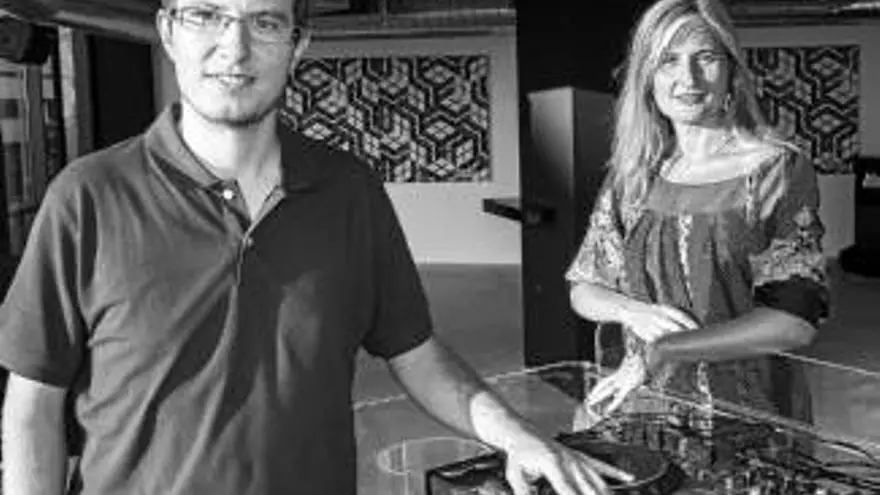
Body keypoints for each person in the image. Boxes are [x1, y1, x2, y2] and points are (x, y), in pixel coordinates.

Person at [0, 1, 610, 494]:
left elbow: (417, 353)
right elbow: (33, 404)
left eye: (264, 22)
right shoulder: (88, 196)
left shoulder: (349, 191)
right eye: (206, 15)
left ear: (298, 43)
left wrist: (515, 434)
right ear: (167, 30)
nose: (234, 48)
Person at [567, 0, 829, 424]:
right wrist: (630, 311)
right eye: (668, 61)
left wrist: (665, 350)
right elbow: (585, 289)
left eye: (705, 58)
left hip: (748, 416)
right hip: (643, 406)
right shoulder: (633, 176)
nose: (687, 78)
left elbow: (794, 322)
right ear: (647, 77)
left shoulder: (774, 170)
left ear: (731, 71)